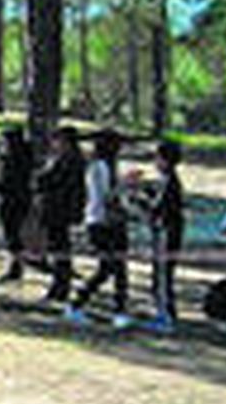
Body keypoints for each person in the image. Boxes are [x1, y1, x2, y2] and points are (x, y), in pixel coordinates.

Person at [67, 128, 132, 327]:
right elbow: (106, 197)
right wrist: (126, 184)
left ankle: (120, 310)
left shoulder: (110, 167)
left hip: (115, 222)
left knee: (119, 269)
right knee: (107, 268)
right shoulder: (98, 168)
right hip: (100, 223)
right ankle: (77, 303)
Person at [136, 137, 185, 330]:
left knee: (163, 278)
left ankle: (165, 319)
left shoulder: (170, 181)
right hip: (164, 232)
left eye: (157, 157)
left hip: (167, 233)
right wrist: (146, 191)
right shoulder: (166, 180)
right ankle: (165, 313)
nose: (154, 161)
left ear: (165, 160)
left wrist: (138, 199)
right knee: (160, 276)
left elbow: (158, 208)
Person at [34, 124, 86, 305]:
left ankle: (60, 287)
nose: (54, 144)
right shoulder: (69, 158)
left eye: (57, 140)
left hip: (58, 210)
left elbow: (53, 181)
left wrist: (39, 179)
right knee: (59, 248)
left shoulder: (68, 160)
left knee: (59, 248)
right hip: (59, 209)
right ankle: (60, 285)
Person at [0, 125, 35, 282]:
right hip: (23, 198)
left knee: (12, 234)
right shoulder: (26, 155)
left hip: (12, 199)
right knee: (16, 233)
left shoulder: (12, 159)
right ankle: (17, 264)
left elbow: (7, 181)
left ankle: (16, 265)